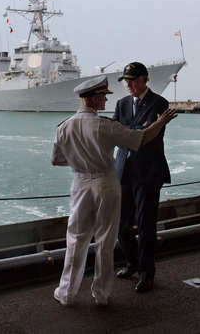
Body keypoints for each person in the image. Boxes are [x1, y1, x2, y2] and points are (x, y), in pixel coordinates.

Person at [51, 75, 177, 306]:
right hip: (105, 184)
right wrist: (161, 122)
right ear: (94, 99)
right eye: (103, 97)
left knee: (76, 240)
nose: (106, 101)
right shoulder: (105, 126)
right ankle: (101, 294)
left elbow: (56, 160)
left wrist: (82, 161)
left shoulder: (63, 127)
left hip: (80, 184)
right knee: (105, 241)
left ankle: (67, 293)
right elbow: (141, 138)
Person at [113, 62, 172, 293]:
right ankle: (131, 263)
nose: (128, 85)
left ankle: (147, 274)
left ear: (145, 79)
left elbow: (153, 137)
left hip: (148, 173)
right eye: (126, 81)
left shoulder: (160, 103)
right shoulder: (122, 103)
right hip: (124, 172)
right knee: (121, 224)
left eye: (132, 80)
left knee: (146, 225)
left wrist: (134, 132)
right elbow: (117, 136)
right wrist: (142, 130)